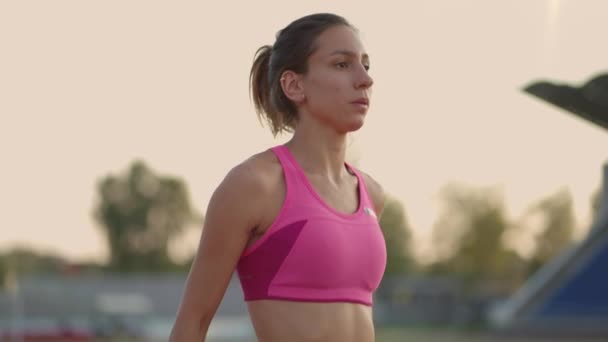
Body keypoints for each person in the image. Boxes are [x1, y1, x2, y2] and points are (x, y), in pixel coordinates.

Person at [170, 13, 387, 342]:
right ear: (294, 85)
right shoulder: (255, 185)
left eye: (366, 65)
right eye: (342, 64)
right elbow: (192, 323)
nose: (364, 80)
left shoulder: (371, 193)